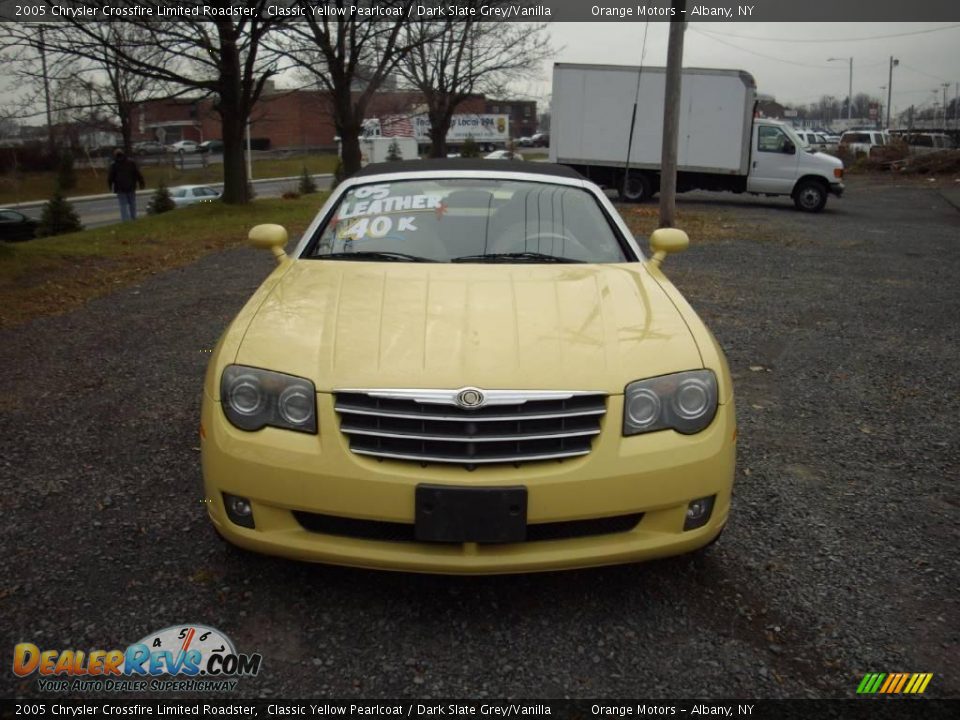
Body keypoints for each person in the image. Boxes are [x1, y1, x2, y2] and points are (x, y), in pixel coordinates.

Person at [108, 149, 146, 221]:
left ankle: (125, 220)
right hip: (131, 186)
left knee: (123, 205)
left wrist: (110, 186)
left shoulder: (114, 165)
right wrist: (141, 183)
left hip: (120, 188)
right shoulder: (131, 163)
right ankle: (133, 218)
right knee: (132, 203)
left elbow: (110, 177)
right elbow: (137, 173)